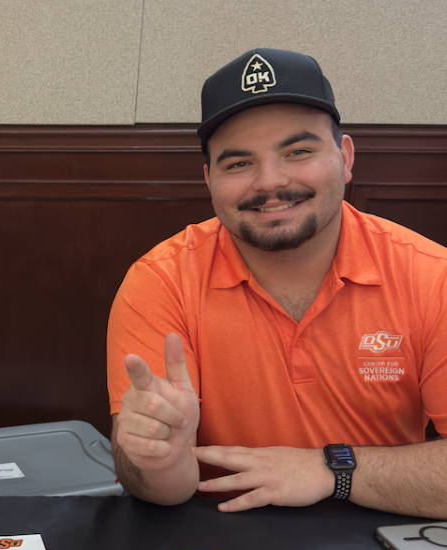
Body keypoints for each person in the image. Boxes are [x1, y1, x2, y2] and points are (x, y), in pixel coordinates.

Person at [106, 48, 447, 517]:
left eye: (299, 151)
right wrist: (160, 459)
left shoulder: (431, 276)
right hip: (218, 541)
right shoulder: (161, 280)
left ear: (345, 158)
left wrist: (332, 469)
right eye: (238, 163)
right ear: (209, 179)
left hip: (379, 541)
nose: (270, 182)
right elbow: (160, 489)